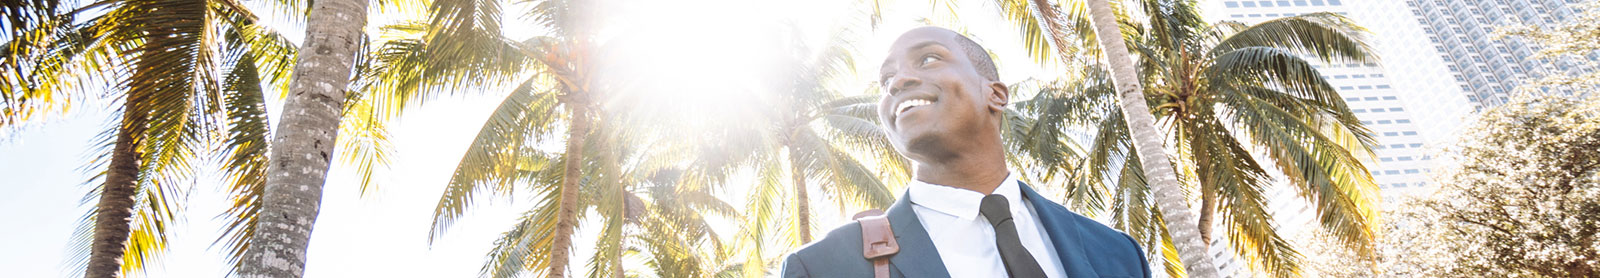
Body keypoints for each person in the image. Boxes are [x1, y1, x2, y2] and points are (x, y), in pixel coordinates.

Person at [780, 26, 1152, 278]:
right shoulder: (822, 267)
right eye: (885, 80)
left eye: (928, 59)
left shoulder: (1116, 253)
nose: (897, 82)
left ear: (996, 94)